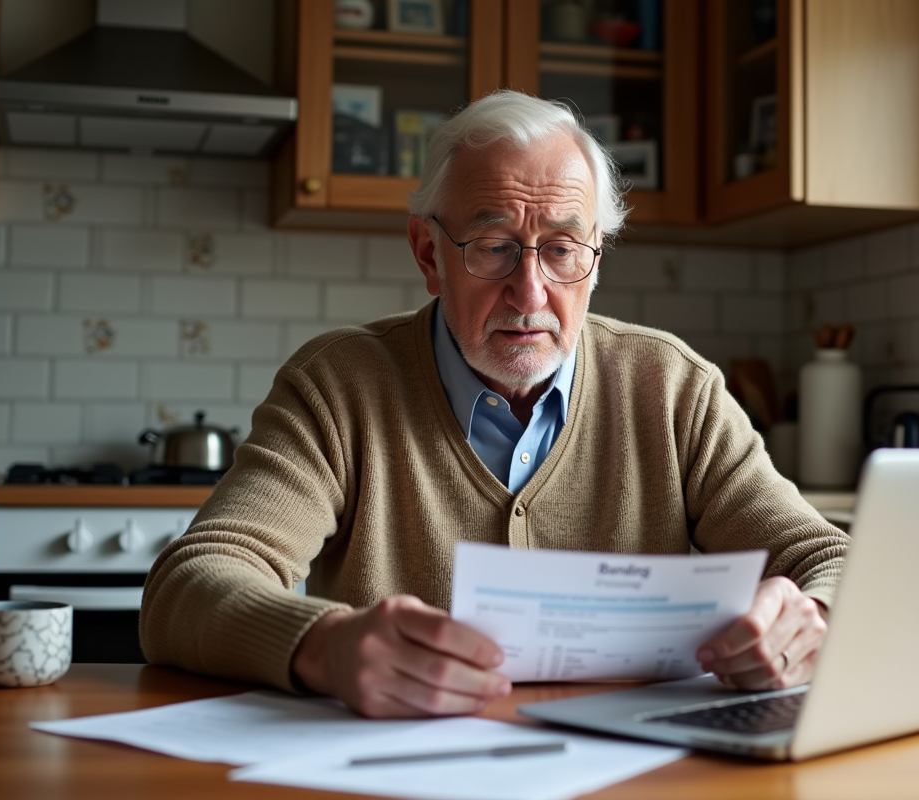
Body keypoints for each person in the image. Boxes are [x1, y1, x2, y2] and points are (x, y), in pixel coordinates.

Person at [140, 90, 849, 719]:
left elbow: (828, 556)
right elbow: (188, 586)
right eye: (493, 246)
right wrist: (321, 646)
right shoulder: (340, 385)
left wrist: (808, 617)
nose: (531, 294)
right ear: (428, 255)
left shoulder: (671, 388)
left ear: (596, 258)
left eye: (564, 249)